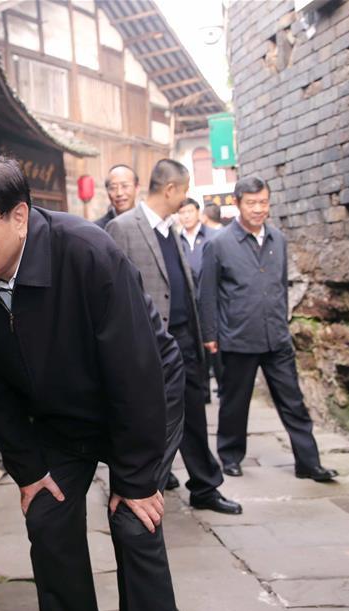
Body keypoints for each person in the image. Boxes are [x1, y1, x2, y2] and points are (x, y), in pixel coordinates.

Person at [0, 154, 182, 611]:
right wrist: (27, 468)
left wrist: (136, 479)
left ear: (19, 217)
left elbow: (135, 370)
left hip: (137, 398)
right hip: (55, 415)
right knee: (47, 519)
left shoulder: (88, 253)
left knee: (135, 525)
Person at [106, 160, 242, 516]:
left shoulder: (171, 228)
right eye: (183, 190)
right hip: (150, 346)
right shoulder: (123, 228)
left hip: (185, 341)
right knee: (151, 421)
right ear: (169, 190)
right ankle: (140, 489)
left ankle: (205, 487)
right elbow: (112, 293)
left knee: (194, 416)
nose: (185, 197)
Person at [199, 176, 338, 482]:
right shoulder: (219, 244)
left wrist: (282, 322)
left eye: (263, 202)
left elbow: (281, 286)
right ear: (237, 204)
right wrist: (210, 335)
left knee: (293, 402)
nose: (258, 209)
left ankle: (308, 462)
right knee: (235, 403)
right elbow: (207, 294)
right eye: (251, 203)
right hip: (238, 337)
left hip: (276, 336)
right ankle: (230, 456)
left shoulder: (278, 239)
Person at [178, 197, 223, 401]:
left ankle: (224, 390)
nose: (186, 216)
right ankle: (203, 393)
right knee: (196, 353)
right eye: (182, 213)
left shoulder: (214, 237)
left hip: (212, 303)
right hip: (189, 305)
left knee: (217, 352)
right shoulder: (176, 239)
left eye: (189, 211)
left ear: (198, 213)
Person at [93, 164, 139, 229]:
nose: (119, 193)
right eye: (113, 188)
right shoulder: (98, 228)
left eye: (125, 186)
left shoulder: (149, 223)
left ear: (137, 188)